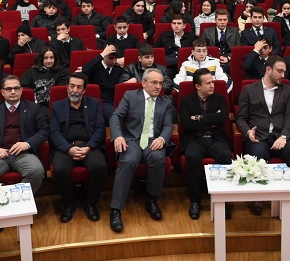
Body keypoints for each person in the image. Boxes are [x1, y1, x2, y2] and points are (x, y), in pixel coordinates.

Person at [108, 68, 174, 232]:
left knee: (158, 159)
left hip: (153, 140)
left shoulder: (166, 102)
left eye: (160, 83)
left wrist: (162, 138)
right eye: (154, 82)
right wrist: (118, 136)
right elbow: (115, 116)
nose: (158, 86)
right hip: (132, 139)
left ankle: (152, 200)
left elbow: (168, 126)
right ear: (143, 83)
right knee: (129, 160)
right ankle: (116, 209)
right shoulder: (130, 96)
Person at [236, 56, 290, 215]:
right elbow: (241, 118)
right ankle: (257, 196)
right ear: (268, 69)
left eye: (284, 72)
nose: (283, 75)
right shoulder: (249, 90)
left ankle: (285, 195)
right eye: (280, 71)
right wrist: (247, 132)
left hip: (280, 135)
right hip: (258, 136)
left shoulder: (287, 90)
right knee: (258, 154)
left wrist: (284, 136)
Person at [0, 75, 48, 211]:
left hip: (24, 153)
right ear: (2, 92)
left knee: (37, 171)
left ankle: (19, 206)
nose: (13, 92)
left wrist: (27, 144)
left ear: (21, 90)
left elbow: (44, 131)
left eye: (16, 88)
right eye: (9, 89)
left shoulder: (33, 108)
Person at [49, 73, 107, 223]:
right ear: (67, 87)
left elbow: (100, 129)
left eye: (79, 87)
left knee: (100, 166)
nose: (74, 90)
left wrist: (89, 147)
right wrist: (68, 149)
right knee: (60, 169)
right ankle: (68, 205)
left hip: (89, 146)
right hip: (66, 147)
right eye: (72, 86)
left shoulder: (93, 103)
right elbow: (54, 132)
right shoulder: (57, 106)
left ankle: (91, 204)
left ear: (84, 90)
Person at [179, 68, 232, 220]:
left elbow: (222, 118)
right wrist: (211, 120)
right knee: (192, 156)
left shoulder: (220, 98)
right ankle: (195, 200)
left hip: (216, 139)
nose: (212, 85)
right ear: (198, 86)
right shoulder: (186, 101)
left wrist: (198, 118)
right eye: (208, 83)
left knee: (225, 156)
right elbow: (186, 123)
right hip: (196, 139)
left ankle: (224, 200)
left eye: (212, 82)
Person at [81, 44, 124, 118]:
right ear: (104, 56)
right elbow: (84, 70)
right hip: (98, 100)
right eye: (111, 58)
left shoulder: (118, 69)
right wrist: (102, 54)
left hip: (113, 100)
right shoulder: (95, 66)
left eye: (115, 59)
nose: (114, 61)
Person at [202, 8, 240, 73]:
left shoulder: (234, 31)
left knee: (231, 67)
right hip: (212, 59)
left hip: (229, 59)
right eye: (220, 20)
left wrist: (228, 58)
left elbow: (238, 48)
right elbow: (203, 48)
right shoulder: (207, 31)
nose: (222, 22)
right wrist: (215, 58)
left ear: (228, 20)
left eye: (225, 20)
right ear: (215, 20)